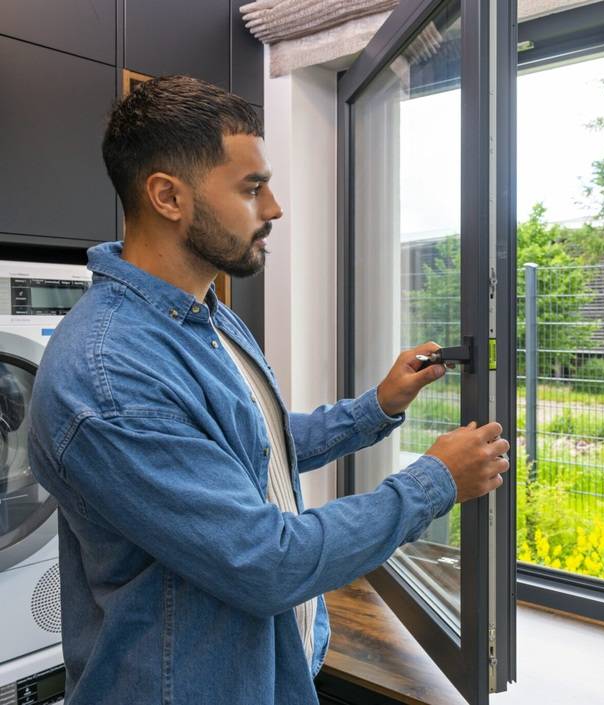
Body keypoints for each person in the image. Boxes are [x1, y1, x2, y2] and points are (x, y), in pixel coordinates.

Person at [27, 75, 509, 705]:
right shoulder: (110, 376)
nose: (275, 208)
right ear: (168, 196)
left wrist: (377, 407)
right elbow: (267, 562)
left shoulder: (206, 315)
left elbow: (251, 450)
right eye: (252, 188)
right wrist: (435, 481)